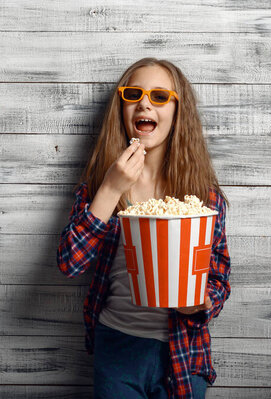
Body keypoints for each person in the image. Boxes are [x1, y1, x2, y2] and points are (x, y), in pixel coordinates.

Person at [57, 58, 230, 399]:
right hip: (117, 345)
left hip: (183, 350)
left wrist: (202, 303)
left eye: (160, 96)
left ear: (179, 111)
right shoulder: (101, 186)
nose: (145, 103)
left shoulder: (204, 194)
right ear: (122, 109)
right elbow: (69, 263)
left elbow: (219, 276)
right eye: (133, 93)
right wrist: (110, 189)